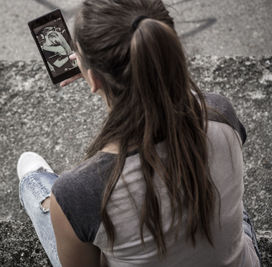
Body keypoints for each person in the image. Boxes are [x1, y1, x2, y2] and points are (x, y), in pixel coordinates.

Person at [18, 0, 262, 266]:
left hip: (84, 201)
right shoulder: (220, 113)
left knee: (38, 186)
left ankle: (35, 184)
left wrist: (96, 70)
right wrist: (100, 68)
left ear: (94, 79)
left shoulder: (79, 191)